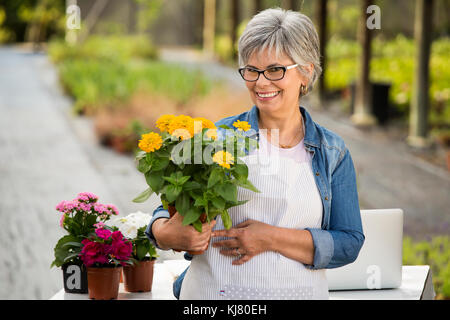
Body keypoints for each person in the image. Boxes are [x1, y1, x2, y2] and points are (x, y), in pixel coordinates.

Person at [145, 8, 364, 300]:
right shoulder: (216, 138)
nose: (261, 83)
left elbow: (348, 243)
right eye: (251, 70)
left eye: (275, 70)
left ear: (306, 71)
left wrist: (270, 238)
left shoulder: (331, 152)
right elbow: (168, 209)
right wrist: (165, 233)